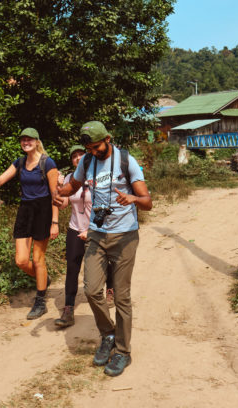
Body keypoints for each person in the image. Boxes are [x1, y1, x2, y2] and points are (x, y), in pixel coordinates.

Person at [54, 121, 152, 377]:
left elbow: (148, 202)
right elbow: (72, 187)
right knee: (92, 289)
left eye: (96, 146)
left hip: (124, 236)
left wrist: (133, 198)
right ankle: (108, 334)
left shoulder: (126, 161)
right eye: (89, 147)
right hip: (97, 233)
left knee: (121, 296)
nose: (93, 152)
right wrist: (59, 192)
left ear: (107, 139)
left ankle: (122, 351)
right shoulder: (86, 161)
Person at [0, 127, 59, 320]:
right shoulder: (19, 162)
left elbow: (55, 196)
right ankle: (43, 278)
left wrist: (55, 221)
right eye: (23, 140)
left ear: (36, 141)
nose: (25, 143)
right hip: (25, 210)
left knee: (37, 259)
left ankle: (40, 301)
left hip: (43, 210)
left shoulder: (47, 163)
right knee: (20, 260)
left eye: (29, 140)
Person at [54, 145, 114, 329]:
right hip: (75, 228)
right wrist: (58, 187)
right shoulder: (71, 179)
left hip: (98, 228)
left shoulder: (99, 176)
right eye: (74, 156)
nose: (78, 158)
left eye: (82, 155)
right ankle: (69, 309)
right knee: (72, 267)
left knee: (106, 262)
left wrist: (92, 229)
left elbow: (107, 206)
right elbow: (63, 204)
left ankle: (110, 289)